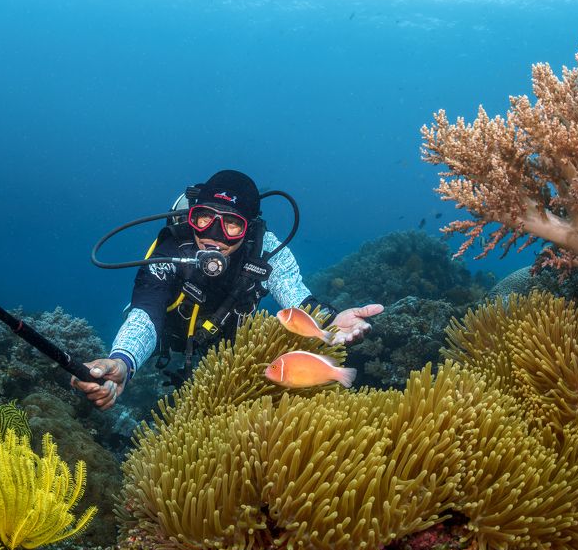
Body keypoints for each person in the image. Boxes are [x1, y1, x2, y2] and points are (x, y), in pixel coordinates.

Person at [72, 170, 383, 410]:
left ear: (249, 228)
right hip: (167, 335)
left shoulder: (266, 250)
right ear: (192, 215)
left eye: (232, 224)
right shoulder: (171, 245)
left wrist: (328, 322)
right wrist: (122, 362)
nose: (214, 235)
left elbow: (297, 295)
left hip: (227, 348)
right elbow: (146, 311)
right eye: (205, 218)